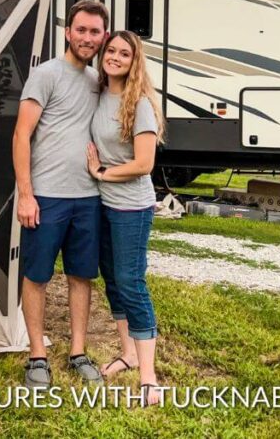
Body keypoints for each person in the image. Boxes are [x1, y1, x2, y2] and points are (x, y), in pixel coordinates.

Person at [13, 0, 109, 388]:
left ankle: (78, 352)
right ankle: (37, 356)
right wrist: (25, 193)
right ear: (67, 32)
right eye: (81, 30)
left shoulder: (99, 82)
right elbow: (21, 134)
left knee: (81, 276)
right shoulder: (45, 74)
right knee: (37, 276)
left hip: (88, 196)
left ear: (103, 36)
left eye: (95, 32)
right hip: (47, 195)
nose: (87, 38)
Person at [86, 30, 166, 406]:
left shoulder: (140, 104)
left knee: (131, 282)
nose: (115, 57)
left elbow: (144, 164)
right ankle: (128, 354)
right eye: (111, 51)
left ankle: (149, 376)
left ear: (135, 62)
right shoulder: (100, 94)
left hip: (131, 205)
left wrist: (101, 172)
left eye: (124, 54)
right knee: (113, 281)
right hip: (103, 203)